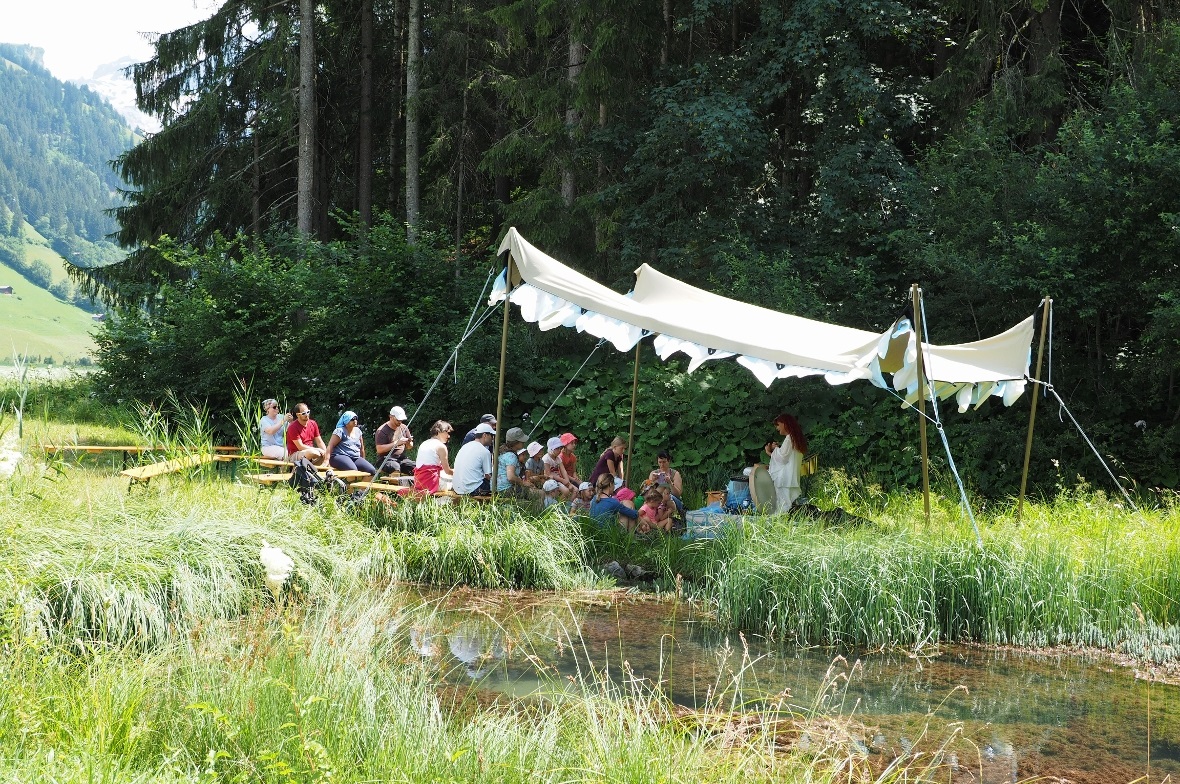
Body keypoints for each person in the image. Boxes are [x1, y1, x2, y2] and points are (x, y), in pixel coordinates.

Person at [765, 412, 807, 513]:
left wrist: (769, 452)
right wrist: (777, 448)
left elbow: (782, 458)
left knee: (783, 504)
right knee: (788, 503)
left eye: (778, 425)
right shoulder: (796, 438)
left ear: (784, 424)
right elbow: (787, 455)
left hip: (784, 477)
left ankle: (780, 520)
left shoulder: (789, 439)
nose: (777, 428)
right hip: (791, 476)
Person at [327, 411, 377, 479]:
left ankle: (362, 486)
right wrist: (326, 460)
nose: (355, 420)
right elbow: (330, 445)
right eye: (352, 419)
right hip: (340, 456)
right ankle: (348, 485)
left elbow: (361, 448)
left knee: (372, 471)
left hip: (355, 457)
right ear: (346, 420)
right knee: (353, 470)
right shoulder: (340, 431)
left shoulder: (358, 431)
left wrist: (363, 460)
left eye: (356, 418)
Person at [453, 423, 495, 496]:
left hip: (457, 488)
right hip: (472, 490)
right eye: (491, 435)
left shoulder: (465, 446)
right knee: (498, 485)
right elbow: (488, 476)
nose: (493, 438)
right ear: (485, 435)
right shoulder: (484, 451)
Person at [496, 427, 539, 500]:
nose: (523, 442)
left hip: (500, 488)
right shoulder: (511, 456)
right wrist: (524, 483)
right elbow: (511, 477)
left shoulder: (504, 452)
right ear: (515, 443)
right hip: (507, 489)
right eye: (521, 441)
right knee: (539, 493)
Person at [414, 420, 454, 492]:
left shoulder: (424, 443)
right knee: (456, 482)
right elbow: (447, 471)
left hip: (418, 482)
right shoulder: (441, 446)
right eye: (447, 433)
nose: (449, 436)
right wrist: (458, 473)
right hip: (431, 483)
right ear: (439, 431)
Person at [374, 405, 415, 475]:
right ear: (391, 417)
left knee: (415, 467)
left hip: (401, 458)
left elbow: (409, 446)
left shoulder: (404, 427)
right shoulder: (382, 431)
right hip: (385, 459)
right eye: (398, 420)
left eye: (401, 420)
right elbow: (379, 449)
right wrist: (396, 443)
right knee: (395, 467)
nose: (400, 422)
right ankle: (395, 482)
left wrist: (408, 442)